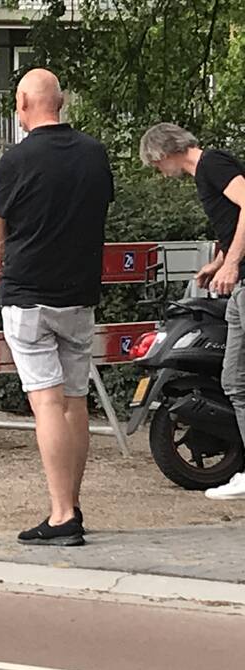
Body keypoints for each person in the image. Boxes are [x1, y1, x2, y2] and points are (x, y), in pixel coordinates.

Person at [0, 69, 113, 546]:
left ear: (23, 103)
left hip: (28, 294)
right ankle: (74, 504)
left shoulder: (15, 159)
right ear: (60, 102)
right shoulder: (94, 154)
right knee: (75, 401)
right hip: (79, 294)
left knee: (46, 403)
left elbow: (0, 223)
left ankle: (61, 516)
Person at [140, 123, 245, 501]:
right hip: (239, 281)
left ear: (163, 153)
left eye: (155, 164)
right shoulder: (208, 173)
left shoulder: (212, 163)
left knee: (238, 376)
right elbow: (234, 225)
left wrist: (232, 265)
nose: (158, 171)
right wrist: (219, 262)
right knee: (234, 377)